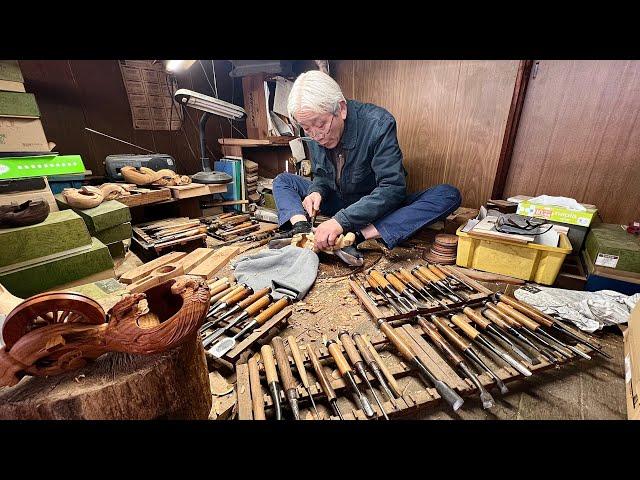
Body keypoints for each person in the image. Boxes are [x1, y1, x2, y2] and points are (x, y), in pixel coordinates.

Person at [271, 70, 462, 265]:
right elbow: (322, 175)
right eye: (307, 128)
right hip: (339, 201)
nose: (316, 135)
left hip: (375, 210)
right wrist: (316, 192)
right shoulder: (315, 132)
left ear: (341, 109)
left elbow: (392, 188)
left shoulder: (379, 123)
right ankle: (302, 230)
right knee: (283, 180)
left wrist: (341, 222)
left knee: (448, 195)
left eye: (320, 125)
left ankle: (356, 236)